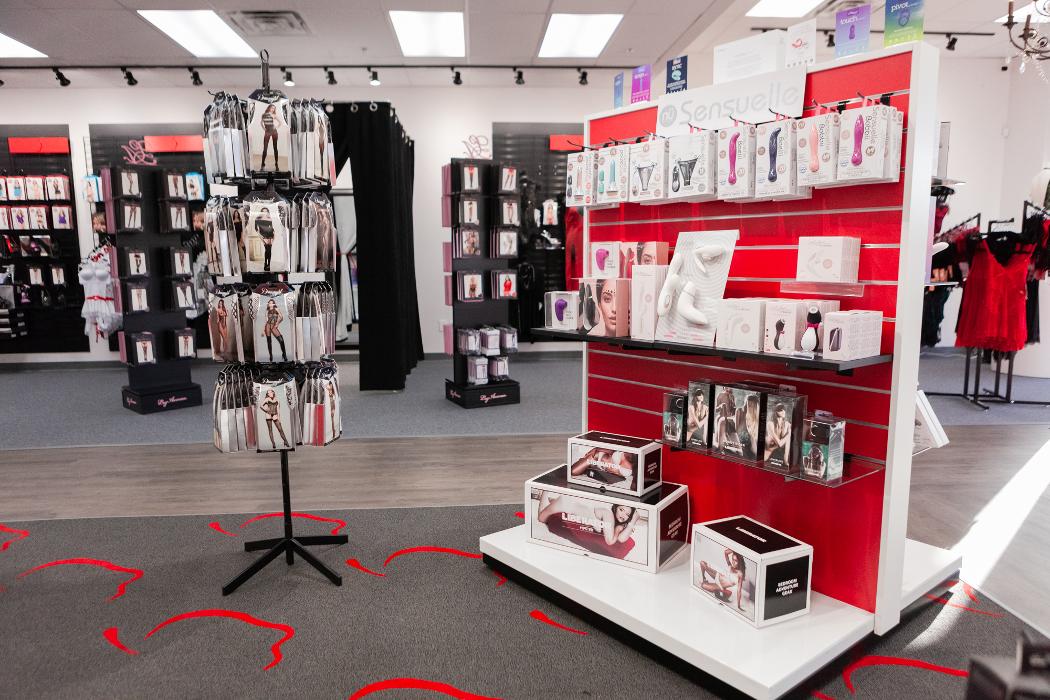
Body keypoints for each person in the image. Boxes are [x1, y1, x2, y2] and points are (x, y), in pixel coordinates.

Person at [537, 493, 640, 548]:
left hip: (573, 506)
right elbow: (610, 541)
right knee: (541, 519)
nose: (623, 515)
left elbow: (621, 539)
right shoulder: (609, 515)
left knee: (549, 512)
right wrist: (619, 529)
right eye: (621, 510)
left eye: (627, 515)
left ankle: (552, 501)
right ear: (615, 508)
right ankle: (544, 492)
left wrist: (630, 523)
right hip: (565, 504)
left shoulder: (612, 520)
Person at [699, 548, 749, 613]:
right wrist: (736, 550)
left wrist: (738, 606)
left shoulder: (740, 574)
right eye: (732, 559)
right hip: (718, 576)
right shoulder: (730, 566)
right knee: (702, 563)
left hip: (720, 585)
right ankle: (704, 578)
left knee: (702, 585)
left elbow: (739, 590)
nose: (733, 562)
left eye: (736, 560)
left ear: (739, 562)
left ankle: (721, 591)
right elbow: (726, 552)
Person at [263, 297, 288, 362]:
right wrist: (264, 330)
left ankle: (284, 354)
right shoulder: (267, 311)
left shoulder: (277, 309)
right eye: (270, 303)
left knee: (281, 340)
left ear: (274, 304)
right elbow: (267, 321)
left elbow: (281, 317)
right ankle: (271, 355)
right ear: (268, 304)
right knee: (269, 341)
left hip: (273, 326)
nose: (271, 304)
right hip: (268, 326)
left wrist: (277, 323)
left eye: (272, 303)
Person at [259, 103, 281, 169]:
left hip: (274, 132)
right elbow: (261, 123)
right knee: (265, 149)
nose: (273, 109)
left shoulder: (274, 115)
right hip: (267, 132)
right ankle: (262, 163)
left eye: (274, 108)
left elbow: (280, 122)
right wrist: (264, 128)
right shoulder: (264, 115)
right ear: (269, 107)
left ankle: (276, 163)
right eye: (272, 108)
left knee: (275, 147)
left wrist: (276, 127)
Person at [740, 394, 761, 460]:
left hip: (753, 450)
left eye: (751, 406)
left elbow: (754, 449)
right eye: (747, 405)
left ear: (755, 407)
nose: (748, 408)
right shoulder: (743, 416)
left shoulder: (758, 420)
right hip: (745, 446)